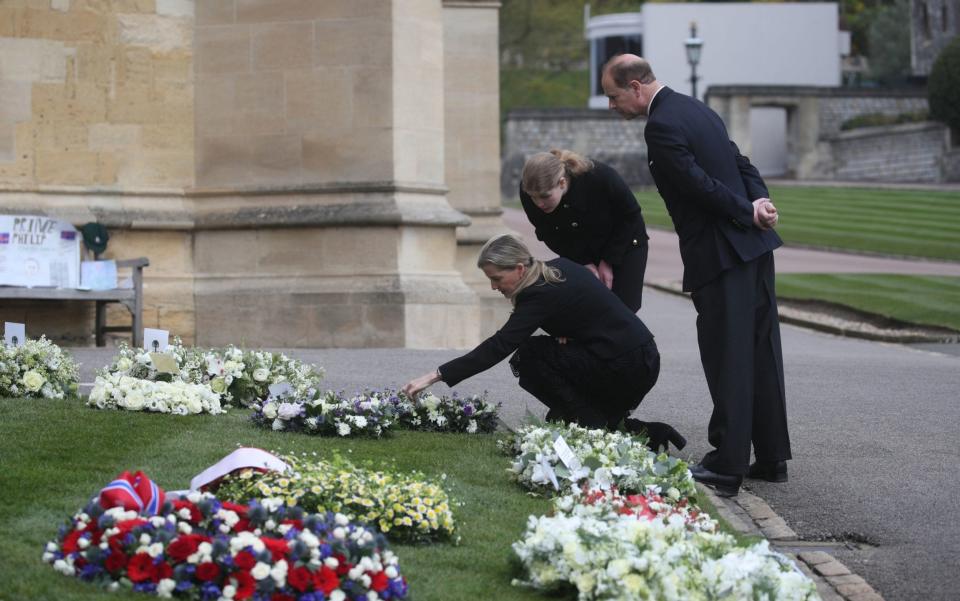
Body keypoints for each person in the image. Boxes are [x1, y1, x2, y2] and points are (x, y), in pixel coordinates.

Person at [600, 54, 791, 496]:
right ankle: (771, 456)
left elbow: (696, 185)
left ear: (634, 86)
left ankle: (726, 466)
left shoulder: (661, 125)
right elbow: (741, 163)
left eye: (613, 97)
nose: (612, 106)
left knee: (729, 358)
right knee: (761, 353)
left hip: (721, 254)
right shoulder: (697, 108)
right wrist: (760, 202)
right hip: (755, 250)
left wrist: (748, 209)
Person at [402, 234, 684, 451]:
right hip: (638, 358)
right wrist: (570, 333)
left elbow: (499, 346)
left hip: (628, 366)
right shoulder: (557, 269)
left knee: (530, 355)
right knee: (557, 398)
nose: (494, 286)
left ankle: (593, 425)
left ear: (519, 269)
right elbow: (589, 313)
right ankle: (648, 433)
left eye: (497, 278)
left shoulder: (538, 295)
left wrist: (435, 376)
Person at [519, 150, 649, 312]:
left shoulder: (600, 177)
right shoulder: (528, 190)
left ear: (562, 183)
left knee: (624, 307)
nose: (539, 204)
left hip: (624, 242)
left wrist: (608, 261)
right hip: (578, 249)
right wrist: (583, 262)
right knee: (586, 306)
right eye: (533, 197)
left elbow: (630, 215)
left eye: (545, 196)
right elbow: (549, 234)